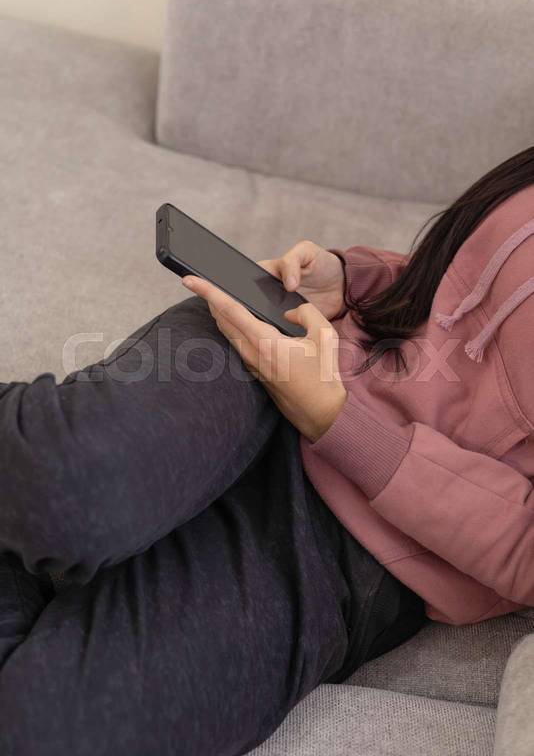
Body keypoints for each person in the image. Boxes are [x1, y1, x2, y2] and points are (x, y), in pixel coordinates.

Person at [1, 145, 533, 755]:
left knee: (52, 736)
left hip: (360, 552)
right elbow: (464, 294)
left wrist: (340, 421)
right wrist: (354, 277)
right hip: (287, 350)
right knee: (67, 486)